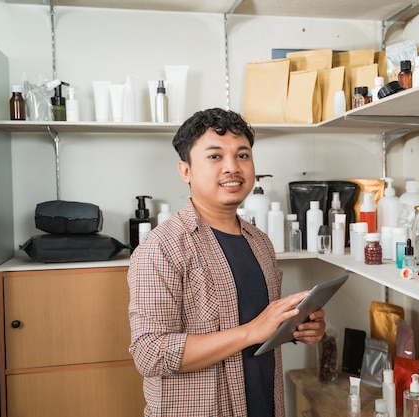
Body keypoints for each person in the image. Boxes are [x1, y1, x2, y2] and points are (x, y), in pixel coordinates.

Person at [127, 108, 326, 417]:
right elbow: (150, 353)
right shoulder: (162, 247)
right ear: (186, 171)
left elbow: (260, 329)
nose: (232, 167)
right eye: (215, 156)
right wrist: (252, 331)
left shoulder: (260, 242)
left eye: (243, 155)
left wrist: (295, 327)